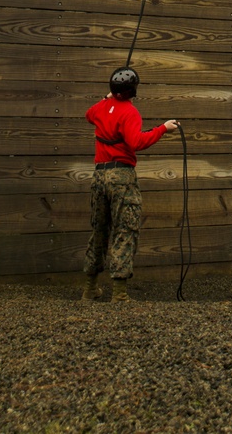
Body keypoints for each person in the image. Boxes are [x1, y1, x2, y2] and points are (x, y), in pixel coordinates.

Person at [82, 67, 179, 302]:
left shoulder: (101, 108)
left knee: (99, 231)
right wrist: (163, 129)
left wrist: (106, 99)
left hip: (98, 176)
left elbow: (89, 115)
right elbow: (136, 142)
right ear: (133, 90)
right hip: (122, 177)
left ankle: (90, 289)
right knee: (125, 229)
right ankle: (120, 294)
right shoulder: (130, 112)